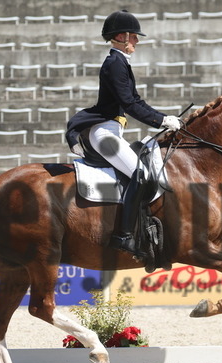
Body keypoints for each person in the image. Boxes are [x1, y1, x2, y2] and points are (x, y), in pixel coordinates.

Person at [66, 9, 183, 257]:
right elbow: (129, 104)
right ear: (122, 36)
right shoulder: (114, 64)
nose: (137, 41)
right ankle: (124, 235)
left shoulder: (121, 62)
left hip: (112, 132)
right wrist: (161, 120)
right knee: (141, 175)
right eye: (134, 36)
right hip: (104, 134)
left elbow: (136, 100)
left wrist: (164, 117)